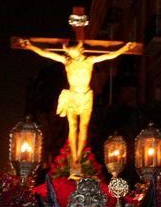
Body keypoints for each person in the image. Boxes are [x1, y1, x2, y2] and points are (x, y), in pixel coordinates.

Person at [18, 37, 135, 173]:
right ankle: (74, 158)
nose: (71, 54)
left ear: (80, 50)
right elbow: (46, 53)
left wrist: (124, 49)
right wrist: (31, 46)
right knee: (73, 127)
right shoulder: (67, 62)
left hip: (85, 96)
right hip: (72, 96)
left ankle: (78, 156)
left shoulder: (89, 61)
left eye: (73, 52)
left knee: (83, 127)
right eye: (70, 52)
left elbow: (109, 55)